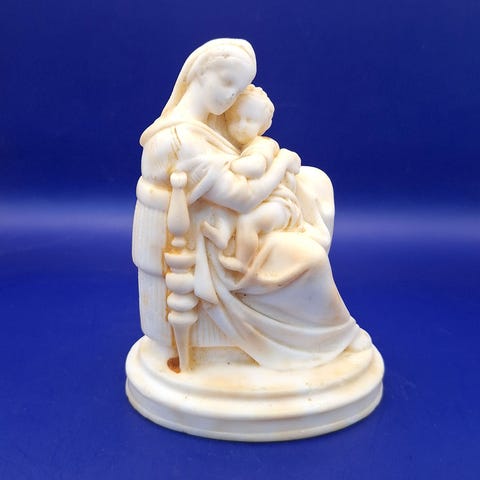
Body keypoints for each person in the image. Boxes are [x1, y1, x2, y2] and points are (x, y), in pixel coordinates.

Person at [133, 38, 368, 371]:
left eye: (238, 89)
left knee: (316, 183)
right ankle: (336, 334)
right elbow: (242, 197)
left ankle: (314, 327)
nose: (232, 96)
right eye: (227, 82)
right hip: (212, 246)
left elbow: (246, 159)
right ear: (199, 72)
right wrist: (280, 165)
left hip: (229, 222)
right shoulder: (178, 140)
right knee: (311, 259)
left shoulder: (211, 126)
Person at [201, 85, 303, 273]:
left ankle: (243, 262)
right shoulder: (236, 147)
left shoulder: (262, 145)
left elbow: (255, 168)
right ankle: (223, 235)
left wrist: (231, 165)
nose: (241, 126)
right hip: (260, 202)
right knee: (229, 210)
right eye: (235, 119)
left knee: (248, 221)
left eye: (249, 120)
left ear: (262, 126)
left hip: (279, 205)